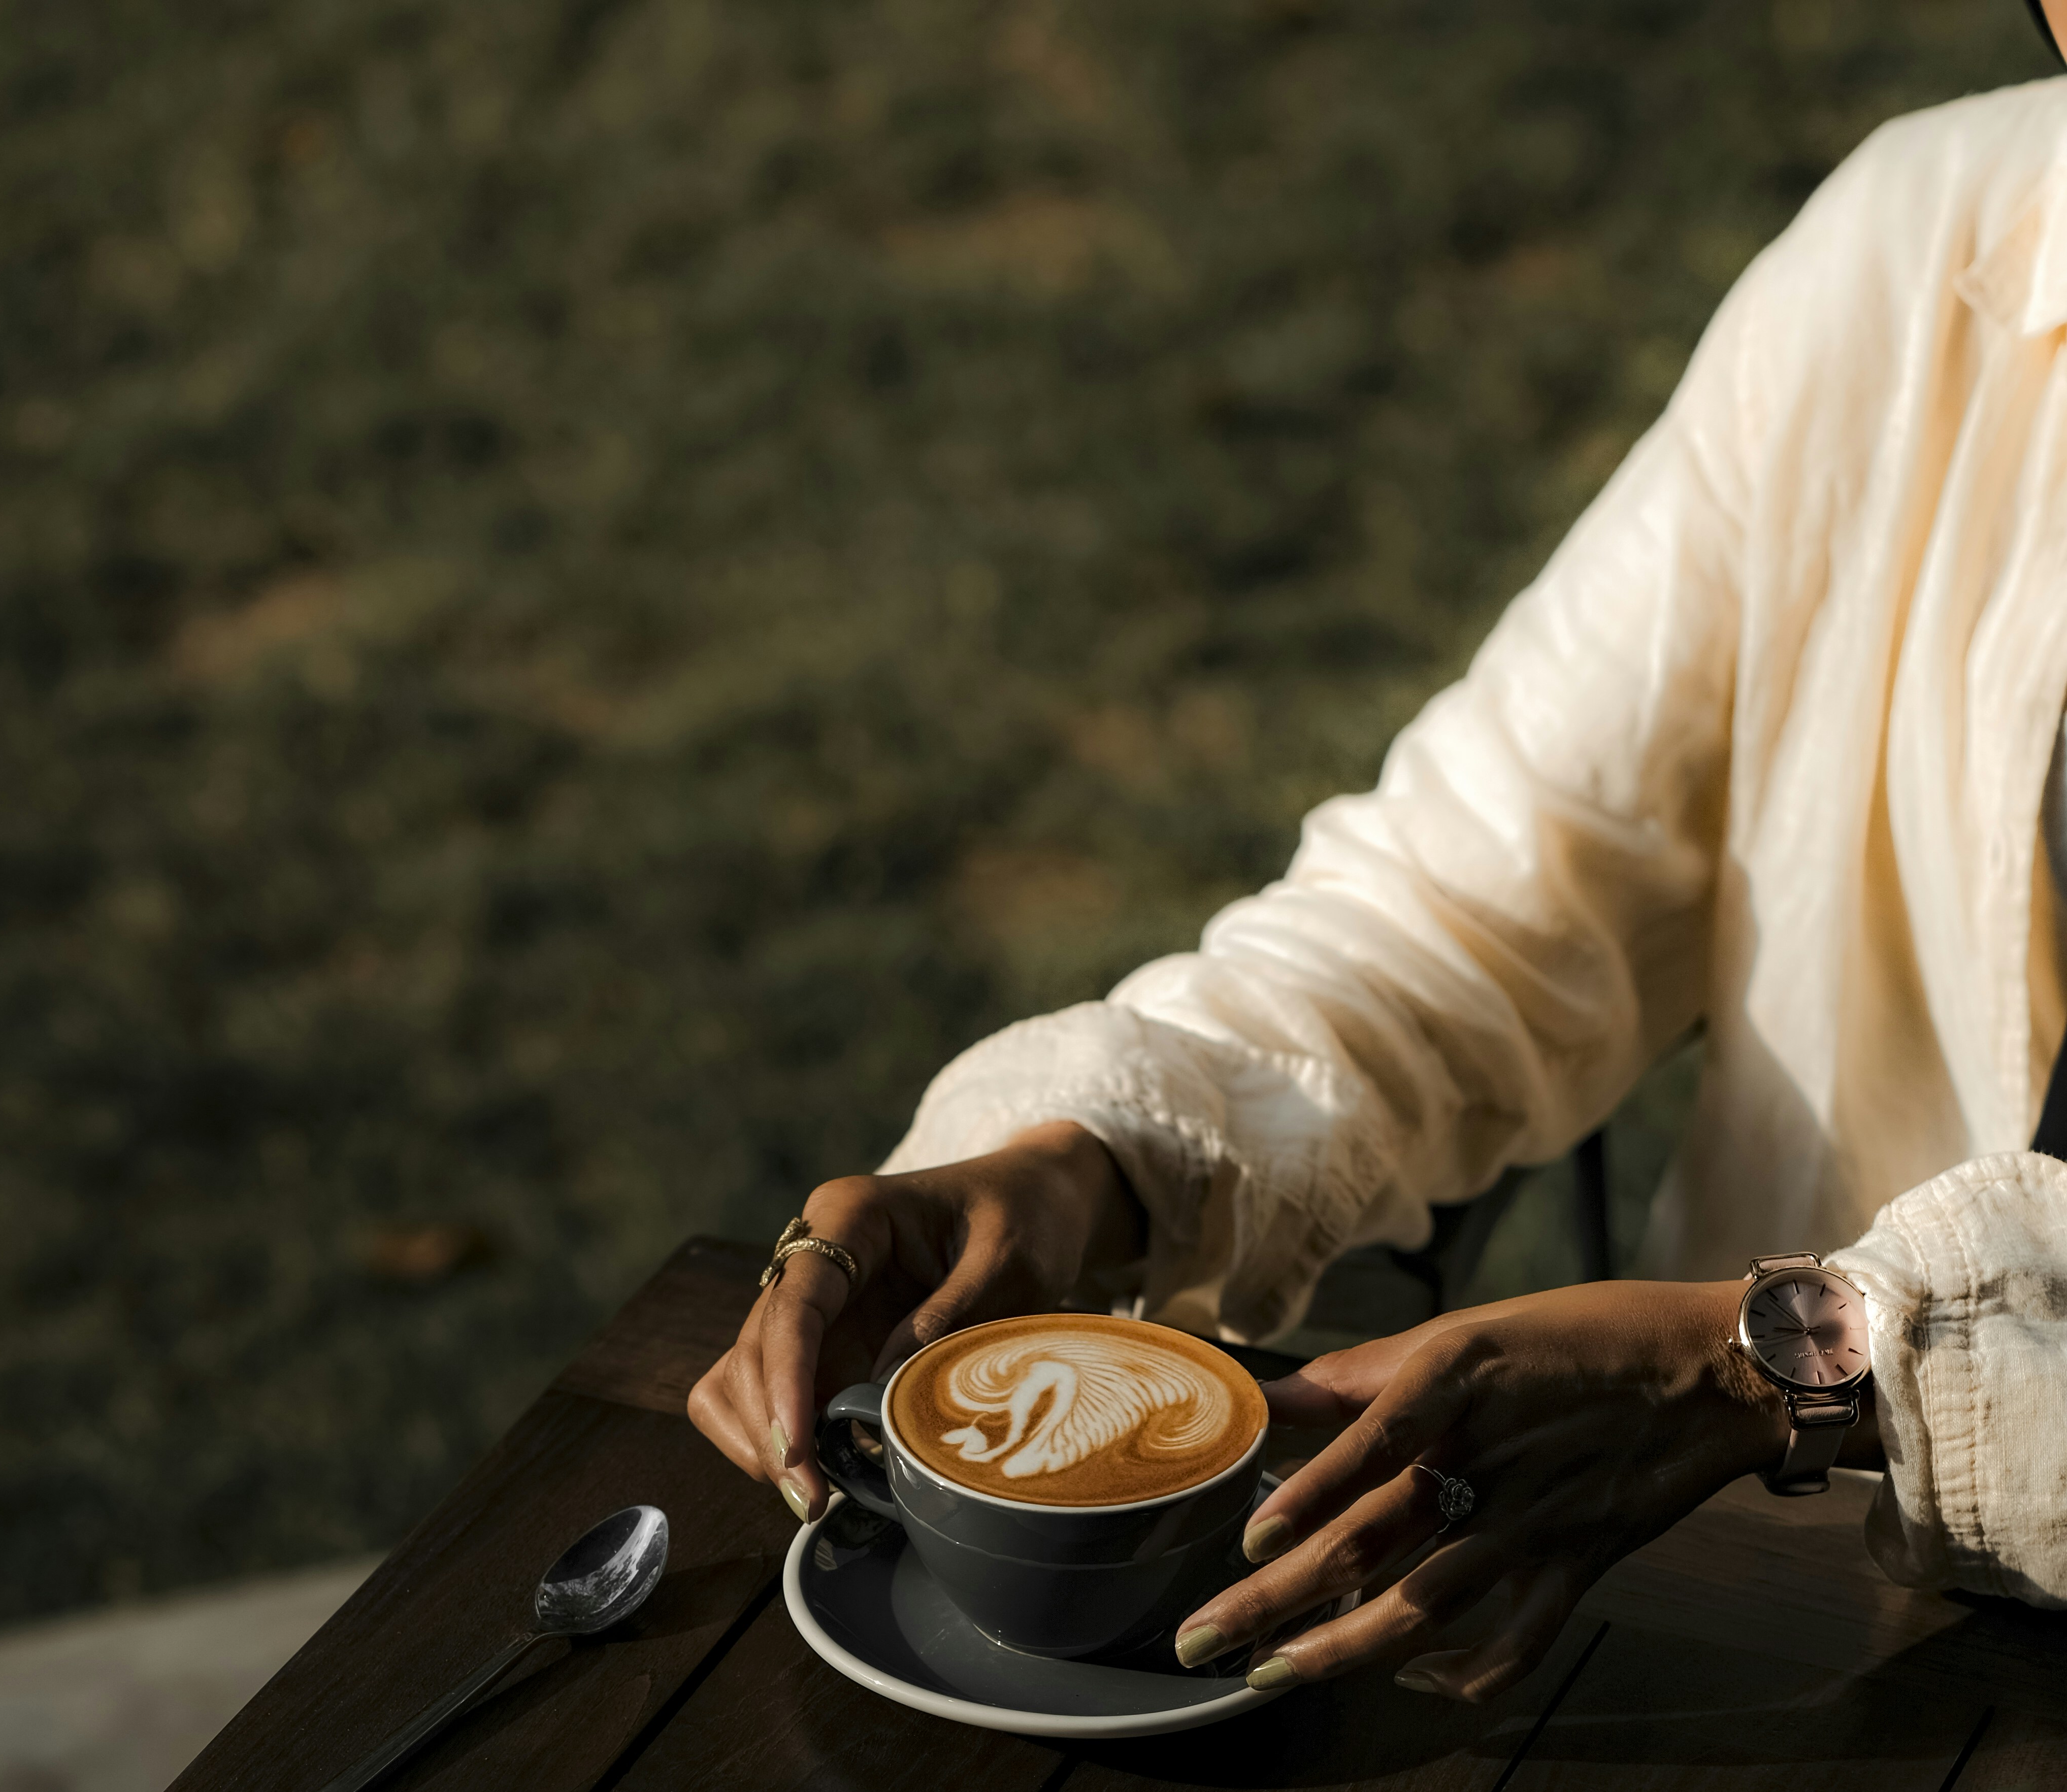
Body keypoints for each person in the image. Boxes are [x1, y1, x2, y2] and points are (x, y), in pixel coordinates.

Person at [693, 32, 2067, 1706]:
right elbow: (1476, 902)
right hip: (1792, 1648)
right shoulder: (1935, 245)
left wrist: (1772, 1370)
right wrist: (1098, 1156)